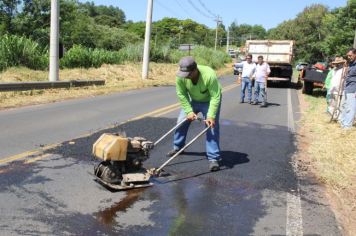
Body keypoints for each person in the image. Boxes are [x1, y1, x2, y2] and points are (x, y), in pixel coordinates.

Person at [167, 56, 222, 171]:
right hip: (194, 100)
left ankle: (213, 158)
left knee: (210, 127)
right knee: (181, 122)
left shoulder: (209, 75)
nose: (185, 77)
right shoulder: (181, 76)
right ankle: (178, 147)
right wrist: (189, 111)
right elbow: (181, 94)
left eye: (188, 74)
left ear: (195, 70)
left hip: (209, 101)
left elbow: (215, 97)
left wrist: (211, 116)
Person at [340, 48, 356, 129]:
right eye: (348, 56)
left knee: (351, 108)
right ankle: (343, 123)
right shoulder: (351, 64)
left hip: (353, 89)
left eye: (350, 55)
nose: (349, 57)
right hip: (347, 88)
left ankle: (347, 126)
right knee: (345, 106)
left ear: (355, 54)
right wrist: (346, 68)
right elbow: (346, 76)